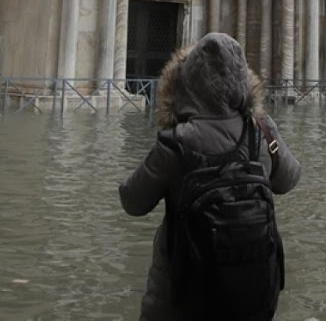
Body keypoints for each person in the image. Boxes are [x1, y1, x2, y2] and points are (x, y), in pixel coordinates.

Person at [120, 33, 300, 321]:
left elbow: (133, 202)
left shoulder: (175, 142)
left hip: (181, 299)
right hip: (251, 293)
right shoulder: (262, 132)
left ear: (188, 82)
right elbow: (289, 179)